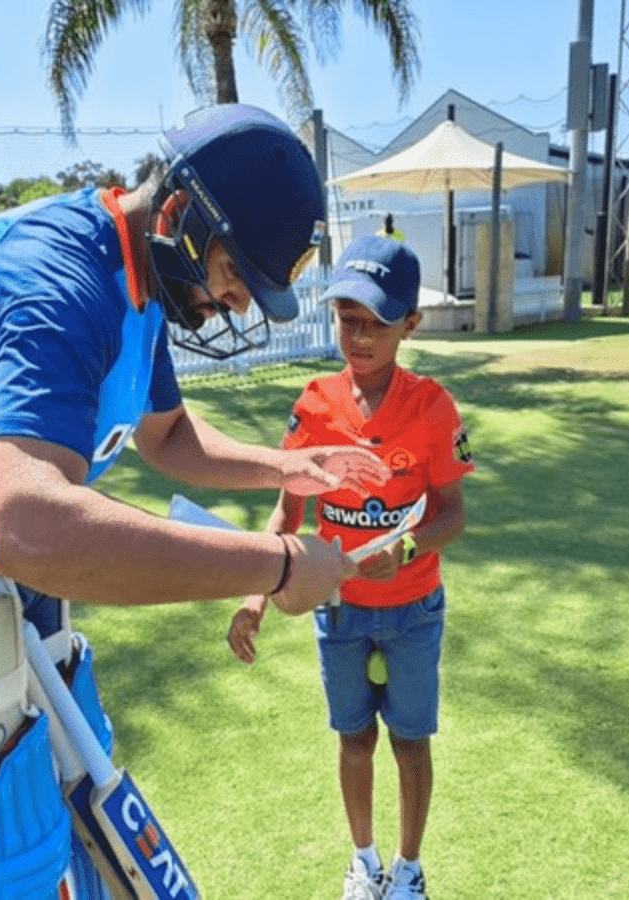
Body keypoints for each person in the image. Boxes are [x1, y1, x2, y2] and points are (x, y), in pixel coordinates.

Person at [0, 103, 391, 900]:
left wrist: (287, 468)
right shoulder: (60, 279)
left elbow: (168, 437)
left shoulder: (141, 277)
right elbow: (29, 527)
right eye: (233, 273)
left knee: (76, 767)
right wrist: (282, 563)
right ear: (179, 214)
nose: (238, 304)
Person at [227, 235, 474, 900]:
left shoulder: (433, 408)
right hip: (338, 613)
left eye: (376, 324)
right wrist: (255, 598)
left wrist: (411, 550)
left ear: (410, 326)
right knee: (355, 739)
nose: (358, 337)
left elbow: (454, 513)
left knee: (410, 742)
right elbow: (287, 519)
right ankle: (364, 863)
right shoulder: (313, 406)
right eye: (346, 319)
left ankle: (409, 870)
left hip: (414, 610)